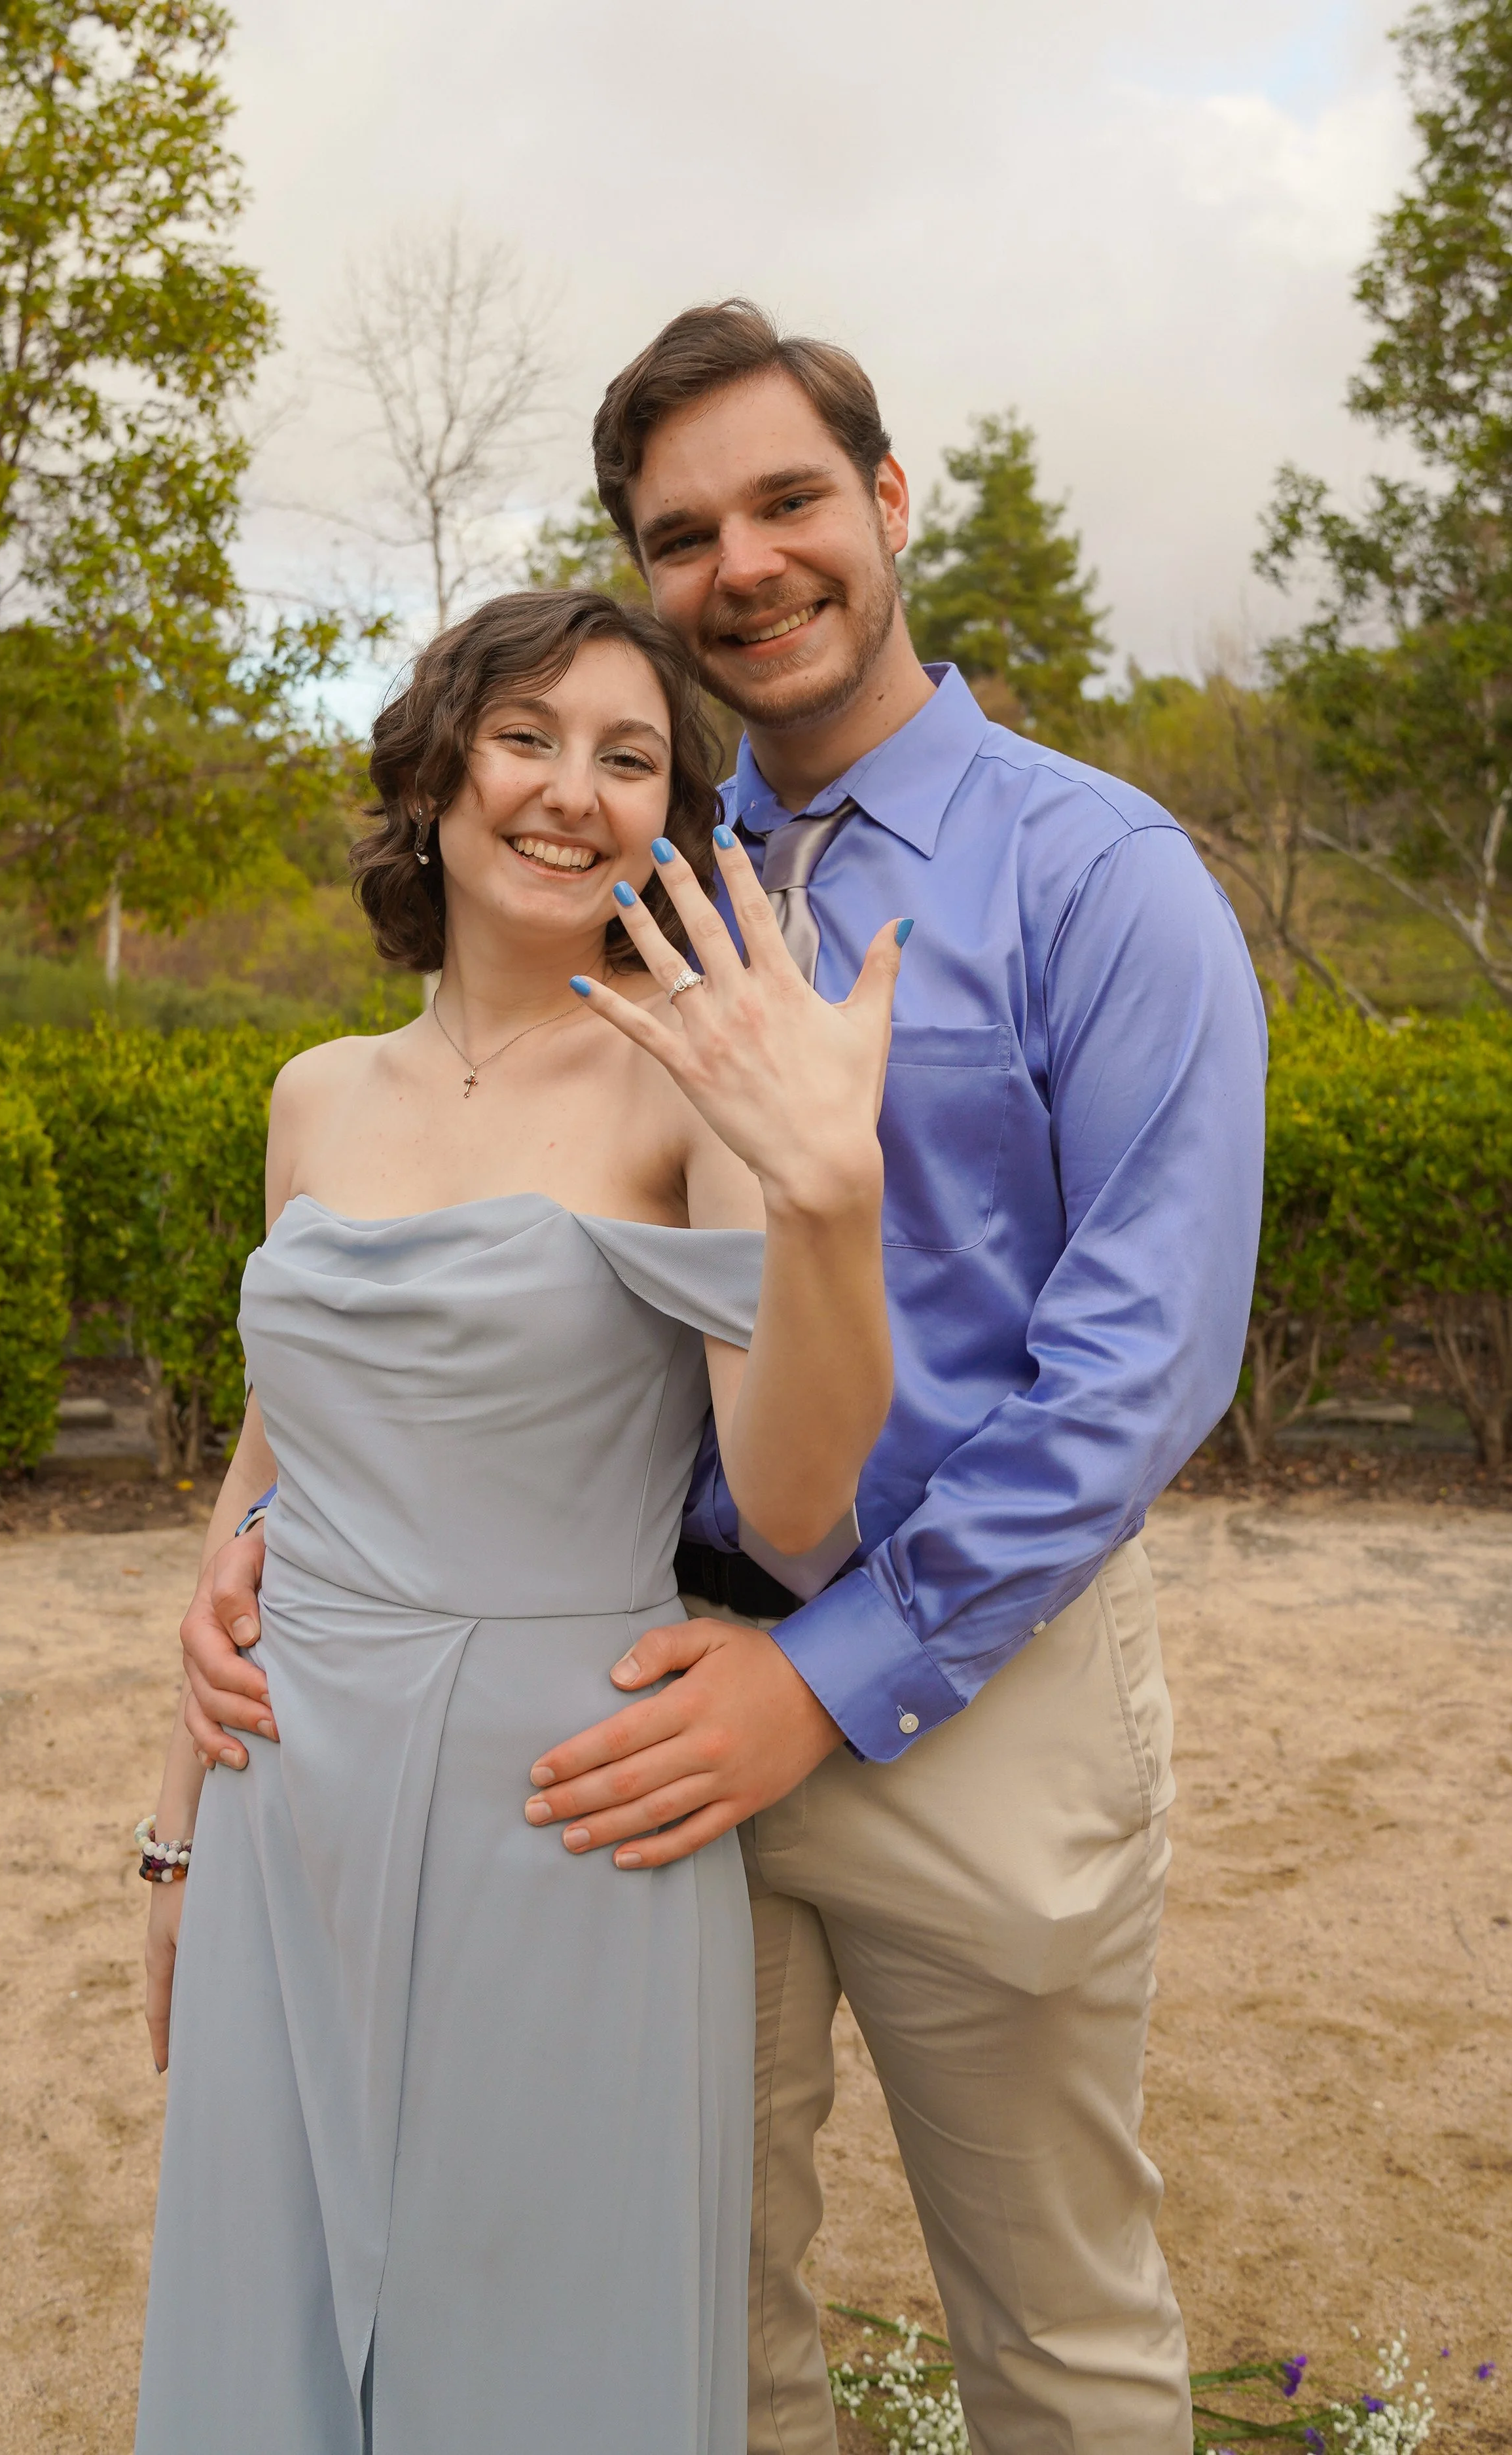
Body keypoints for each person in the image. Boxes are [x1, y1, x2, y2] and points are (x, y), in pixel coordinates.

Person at [181, 302, 1269, 2455]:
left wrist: (832, 1662)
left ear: (883, 502)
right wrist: (267, 1543)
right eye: (682, 534)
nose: (742, 563)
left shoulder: (1100, 876)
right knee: (695, 2323)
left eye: (786, 501)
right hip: (635, 1715)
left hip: (977, 1694)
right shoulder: (633, 875)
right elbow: (450, 1249)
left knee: (1053, 2333)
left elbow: (1143, 1360)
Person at [135, 585, 907, 2455]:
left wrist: (825, 1198)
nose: (572, 790)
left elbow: (798, 1497)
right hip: (280, 1799)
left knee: (539, 2348)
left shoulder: (687, 1077)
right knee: (277, 2321)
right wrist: (171, 1832)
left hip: (561, 1806)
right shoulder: (312, 1094)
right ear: (438, 772)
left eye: (628, 755)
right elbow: (272, 1452)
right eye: (527, 736)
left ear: (674, 814)